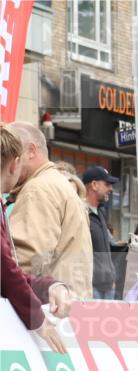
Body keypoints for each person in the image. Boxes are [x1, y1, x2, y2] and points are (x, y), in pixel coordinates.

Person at [1, 123, 72, 352]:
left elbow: (11, 269)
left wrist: (50, 286)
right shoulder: (45, 187)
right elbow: (9, 267)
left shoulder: (39, 187)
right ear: (14, 163)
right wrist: (38, 318)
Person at [7, 122, 93, 297]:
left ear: (31, 151)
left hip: (48, 308)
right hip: (65, 304)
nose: (10, 163)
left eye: (13, 154)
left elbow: (24, 260)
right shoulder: (56, 184)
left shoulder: (39, 189)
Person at [81, 166, 118, 299]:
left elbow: (107, 246)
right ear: (94, 185)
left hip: (108, 287)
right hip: (91, 288)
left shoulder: (101, 212)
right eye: (107, 184)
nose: (111, 189)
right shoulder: (80, 213)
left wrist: (111, 277)